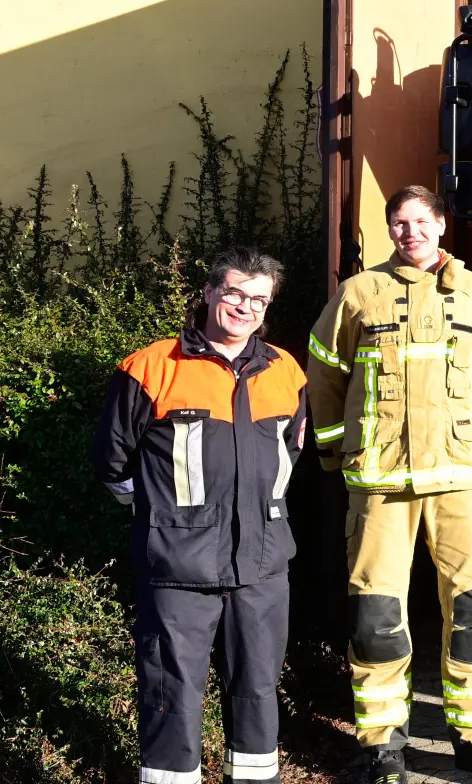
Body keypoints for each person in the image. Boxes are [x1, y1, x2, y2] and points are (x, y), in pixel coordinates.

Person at [307, 185, 472, 784]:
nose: (410, 233)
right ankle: (382, 747)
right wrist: (333, 453)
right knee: (376, 617)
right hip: (379, 482)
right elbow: (324, 375)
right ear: (389, 231)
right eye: (399, 223)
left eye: (420, 221)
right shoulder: (357, 295)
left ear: (442, 225)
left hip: (460, 480)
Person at [94, 247, 307, 784]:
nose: (245, 307)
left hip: (262, 566)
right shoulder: (150, 367)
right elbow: (113, 460)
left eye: (259, 299)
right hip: (176, 568)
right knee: (172, 691)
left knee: (258, 689)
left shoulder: (285, 370)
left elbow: (289, 453)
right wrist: (166, 518)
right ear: (210, 292)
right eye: (235, 293)